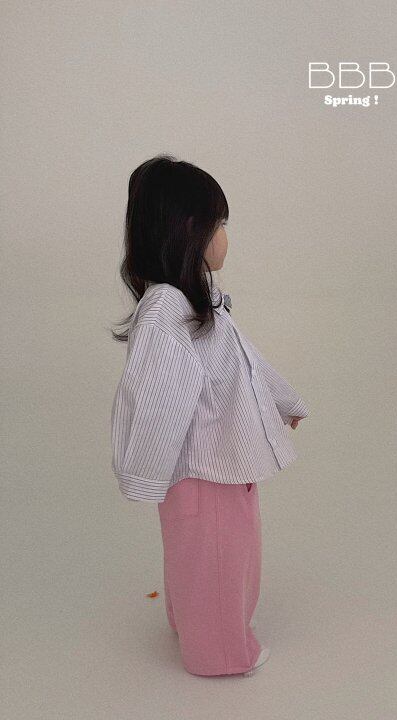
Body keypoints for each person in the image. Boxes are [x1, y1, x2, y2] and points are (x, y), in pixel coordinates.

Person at [109, 154, 309, 677]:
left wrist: (281, 401)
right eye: (218, 225)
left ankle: (192, 624)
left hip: (221, 459)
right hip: (205, 469)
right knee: (219, 558)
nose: (225, 238)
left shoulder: (197, 302)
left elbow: (245, 363)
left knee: (204, 555)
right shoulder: (167, 315)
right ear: (188, 232)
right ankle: (219, 652)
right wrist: (146, 474)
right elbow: (155, 399)